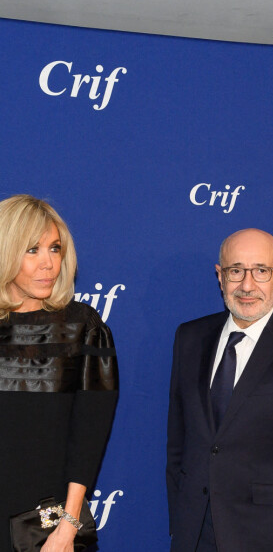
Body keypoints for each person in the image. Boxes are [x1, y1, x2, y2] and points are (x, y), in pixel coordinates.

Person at [166, 228, 273, 552]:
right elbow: (179, 444)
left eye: (261, 271)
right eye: (236, 271)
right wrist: (181, 524)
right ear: (220, 277)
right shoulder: (189, 338)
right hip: (193, 537)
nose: (247, 285)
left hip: (270, 540)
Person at [0, 195, 119, 552]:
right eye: (32, 250)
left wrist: (67, 528)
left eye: (55, 248)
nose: (48, 263)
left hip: (44, 528)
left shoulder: (83, 327)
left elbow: (88, 438)